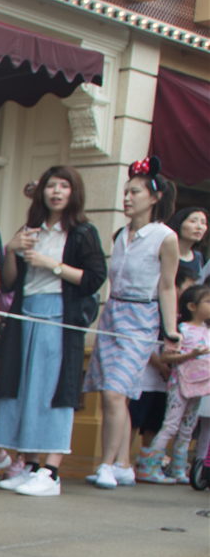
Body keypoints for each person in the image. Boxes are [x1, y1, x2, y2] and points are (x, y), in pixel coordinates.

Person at [0, 165, 106, 496]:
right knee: (23, 386)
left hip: (60, 317)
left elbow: (95, 278)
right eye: (51, 186)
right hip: (25, 314)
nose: (56, 192)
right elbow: (9, 281)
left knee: (54, 388)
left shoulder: (82, 232)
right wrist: (12, 249)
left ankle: (51, 471)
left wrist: (51, 265)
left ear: (74, 192)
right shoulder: (31, 229)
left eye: (64, 186)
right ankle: (29, 464)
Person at [85, 158, 179, 488]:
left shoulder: (165, 237)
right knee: (116, 395)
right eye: (126, 192)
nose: (127, 198)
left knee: (115, 392)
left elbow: (167, 287)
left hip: (141, 317)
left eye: (135, 192)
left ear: (154, 197)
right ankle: (123, 464)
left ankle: (106, 464)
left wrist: (171, 332)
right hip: (112, 313)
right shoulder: (120, 234)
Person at [137, 283, 210, 483]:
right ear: (192, 306)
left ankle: (178, 468)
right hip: (179, 385)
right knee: (170, 425)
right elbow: (166, 357)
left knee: (187, 429)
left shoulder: (207, 330)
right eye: (208, 301)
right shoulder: (179, 330)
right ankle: (149, 467)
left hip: (199, 387)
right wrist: (191, 354)